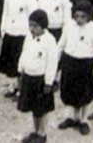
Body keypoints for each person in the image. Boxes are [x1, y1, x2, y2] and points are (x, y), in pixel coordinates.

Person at [57, 0, 93, 136]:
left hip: (85, 65)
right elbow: (61, 44)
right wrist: (55, 61)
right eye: (77, 16)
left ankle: (83, 120)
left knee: (84, 94)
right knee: (70, 92)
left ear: (89, 16)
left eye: (83, 16)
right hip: (70, 62)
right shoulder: (69, 27)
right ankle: (72, 117)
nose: (79, 19)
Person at [17, 9, 58, 143]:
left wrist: (48, 82)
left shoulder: (50, 40)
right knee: (33, 107)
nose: (32, 28)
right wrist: (21, 70)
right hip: (29, 77)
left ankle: (42, 133)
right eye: (30, 25)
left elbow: (52, 62)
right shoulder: (29, 36)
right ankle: (35, 131)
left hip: (41, 80)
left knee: (42, 108)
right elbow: (24, 53)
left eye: (35, 26)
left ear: (43, 25)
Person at [0, 0, 37, 98]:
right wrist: (3, 29)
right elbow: (5, 13)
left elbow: (33, 17)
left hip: (23, 35)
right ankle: (13, 86)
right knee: (11, 63)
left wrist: (31, 34)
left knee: (21, 63)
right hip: (10, 32)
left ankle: (21, 89)